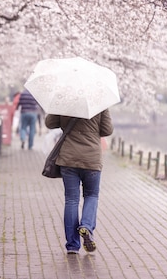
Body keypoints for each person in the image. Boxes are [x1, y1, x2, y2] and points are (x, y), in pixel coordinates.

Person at [45, 109, 113, 255]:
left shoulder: (64, 101)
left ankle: (72, 245)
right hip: (92, 159)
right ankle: (86, 226)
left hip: (68, 159)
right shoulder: (99, 102)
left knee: (71, 200)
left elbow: (49, 123)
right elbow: (107, 130)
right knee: (91, 195)